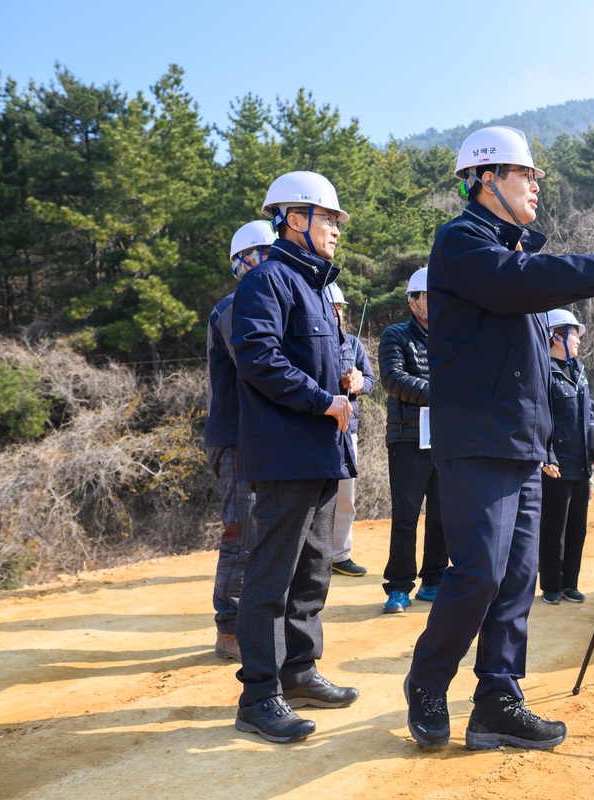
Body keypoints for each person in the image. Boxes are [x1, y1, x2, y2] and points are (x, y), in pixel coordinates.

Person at [404, 125, 594, 752]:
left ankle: (498, 700)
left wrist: (544, 438)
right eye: (528, 175)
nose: (537, 185)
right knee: (482, 572)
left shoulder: (506, 253)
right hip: (476, 439)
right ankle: (428, 682)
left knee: (518, 576)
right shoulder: (462, 242)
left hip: (521, 441)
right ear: (487, 179)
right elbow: (522, 278)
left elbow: (531, 358)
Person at [230, 171, 360, 744]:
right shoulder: (267, 281)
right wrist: (322, 399)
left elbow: (313, 359)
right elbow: (258, 358)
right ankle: (259, 695)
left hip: (321, 453)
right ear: (294, 218)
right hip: (285, 454)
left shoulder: (314, 288)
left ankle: (299, 671)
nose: (336, 228)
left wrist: (348, 379)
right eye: (329, 217)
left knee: (311, 571)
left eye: (336, 220)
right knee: (270, 578)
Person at [204, 220, 274, 661]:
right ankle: (229, 628)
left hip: (261, 437)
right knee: (241, 531)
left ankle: (250, 621)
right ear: (248, 261)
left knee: (264, 532)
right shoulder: (235, 306)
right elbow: (258, 365)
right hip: (236, 438)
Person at [378, 267, 448, 613]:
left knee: (442, 514)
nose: (435, 303)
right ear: (413, 301)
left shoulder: (451, 336)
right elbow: (394, 380)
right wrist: (444, 395)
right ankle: (399, 587)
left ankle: (433, 581)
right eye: (429, 297)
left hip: (445, 438)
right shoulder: (395, 336)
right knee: (406, 515)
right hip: (407, 438)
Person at [539, 308, 594, 605]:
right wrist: (546, 456)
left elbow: (588, 414)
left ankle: (569, 583)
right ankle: (551, 583)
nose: (577, 340)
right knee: (554, 526)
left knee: (577, 525)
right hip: (556, 464)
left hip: (580, 462)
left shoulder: (579, 370)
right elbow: (538, 417)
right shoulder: (543, 371)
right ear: (556, 335)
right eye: (573, 333)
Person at [324, 281, 375, 578]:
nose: (336, 313)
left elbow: (370, 379)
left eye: (339, 308)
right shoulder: (305, 342)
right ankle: (306, 557)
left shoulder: (353, 344)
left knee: (346, 495)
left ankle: (339, 555)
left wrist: (357, 383)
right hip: (315, 427)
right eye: (331, 307)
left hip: (347, 430)